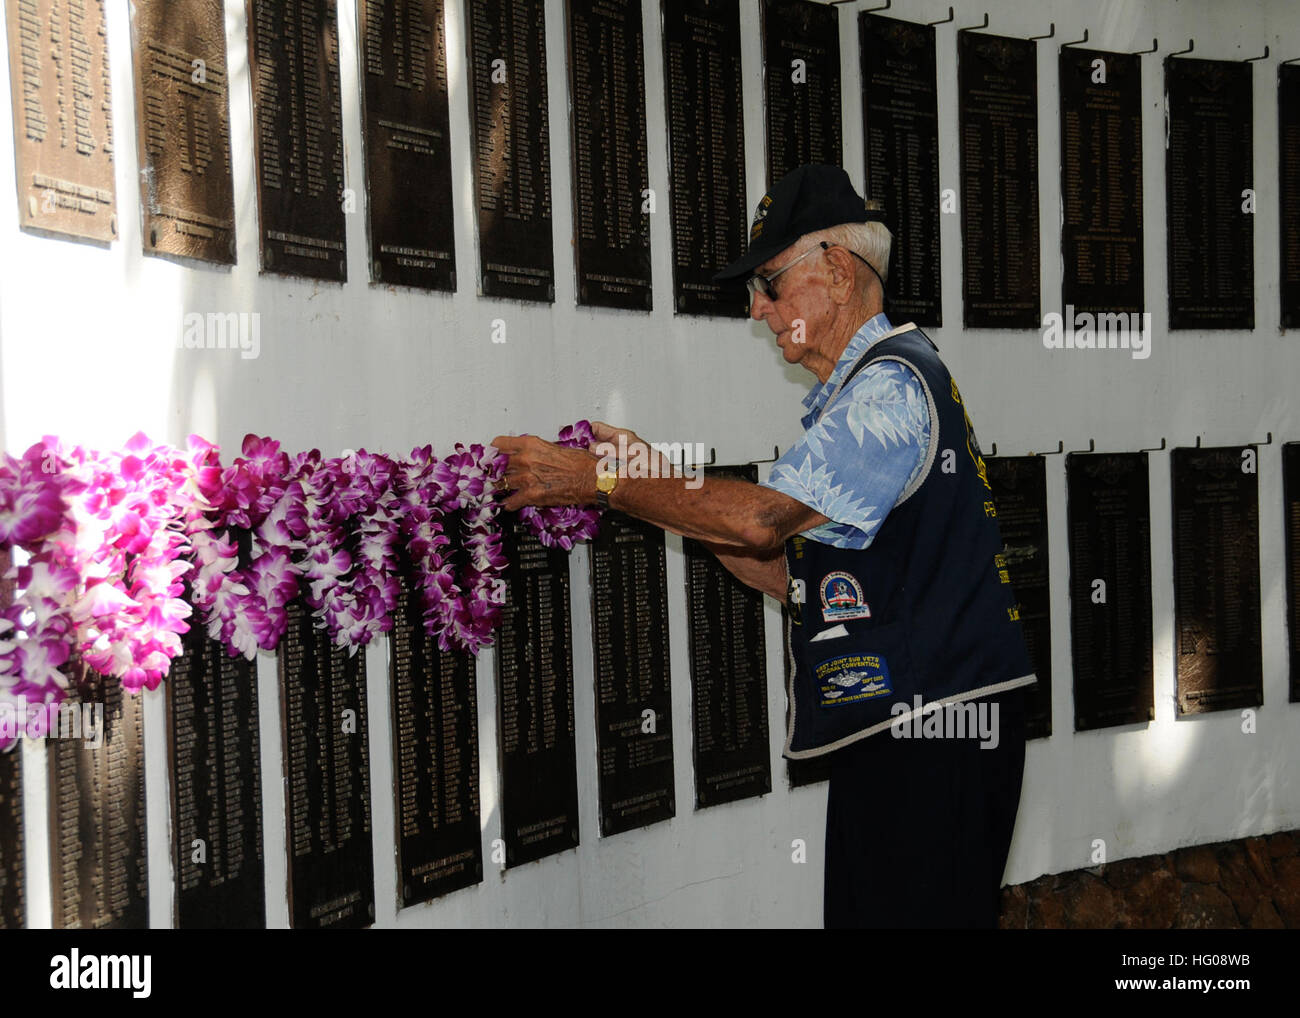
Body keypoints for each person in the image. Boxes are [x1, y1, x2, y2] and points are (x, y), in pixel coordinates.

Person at [493, 163, 1036, 928]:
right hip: (902, 735)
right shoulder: (869, 390)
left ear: (837, 272)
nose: (757, 309)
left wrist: (600, 481)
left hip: (934, 740)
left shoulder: (888, 391)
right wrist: (648, 477)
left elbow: (757, 522)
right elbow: (780, 569)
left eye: (770, 283)